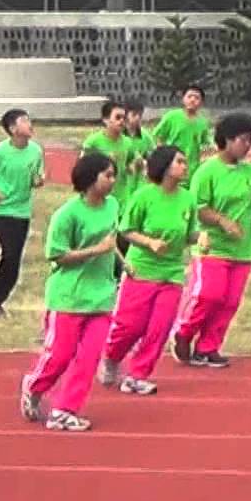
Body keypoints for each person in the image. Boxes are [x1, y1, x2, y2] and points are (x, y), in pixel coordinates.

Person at [20, 153, 121, 432]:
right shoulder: (67, 214)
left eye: (114, 175)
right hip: (69, 296)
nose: (113, 181)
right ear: (90, 179)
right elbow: (57, 255)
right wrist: (94, 251)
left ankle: (65, 410)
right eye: (107, 175)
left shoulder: (113, 205)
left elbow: (111, 241)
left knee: (89, 358)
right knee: (60, 355)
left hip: (101, 296)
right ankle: (35, 385)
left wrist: (124, 261)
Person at [172, 113, 251, 368]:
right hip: (213, 246)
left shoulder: (249, 171)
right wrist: (222, 221)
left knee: (229, 302)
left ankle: (208, 347)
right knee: (209, 295)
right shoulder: (207, 171)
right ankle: (184, 333)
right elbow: (198, 207)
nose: (247, 145)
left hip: (241, 249)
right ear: (227, 140)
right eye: (243, 139)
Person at [100, 145, 201, 396]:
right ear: (165, 166)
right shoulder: (144, 196)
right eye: (179, 162)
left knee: (160, 327)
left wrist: (202, 238)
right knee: (130, 326)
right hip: (142, 269)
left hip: (172, 272)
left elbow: (190, 234)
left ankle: (137, 375)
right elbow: (127, 229)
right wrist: (150, 243)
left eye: (185, 162)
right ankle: (111, 357)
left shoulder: (187, 198)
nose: (184, 166)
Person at [0, 108, 47, 318]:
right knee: (5, 255)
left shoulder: (35, 151)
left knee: (14, 264)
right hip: (2, 210)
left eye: (29, 119)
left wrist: (38, 181)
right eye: (24, 121)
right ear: (13, 129)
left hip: (22, 211)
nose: (30, 124)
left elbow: (38, 175)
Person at [83, 101, 141, 213]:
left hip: (123, 197)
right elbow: (82, 167)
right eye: (117, 117)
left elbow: (131, 161)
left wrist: (133, 166)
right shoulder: (93, 142)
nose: (121, 121)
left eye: (124, 118)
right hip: (100, 196)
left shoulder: (128, 142)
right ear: (105, 120)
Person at [149, 85, 211, 179]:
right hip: (171, 167)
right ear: (183, 99)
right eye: (189, 96)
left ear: (201, 102)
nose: (192, 100)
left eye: (197, 98)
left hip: (192, 169)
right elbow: (157, 137)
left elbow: (206, 145)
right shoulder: (171, 117)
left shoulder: (202, 123)